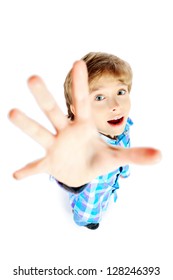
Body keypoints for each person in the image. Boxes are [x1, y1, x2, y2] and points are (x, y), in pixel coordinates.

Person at [9, 52, 161, 230]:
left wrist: (124, 170)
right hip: (89, 206)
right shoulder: (80, 151)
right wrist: (73, 184)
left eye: (120, 92)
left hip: (111, 182)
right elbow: (72, 164)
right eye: (99, 97)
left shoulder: (120, 123)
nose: (115, 105)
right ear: (76, 109)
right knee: (88, 217)